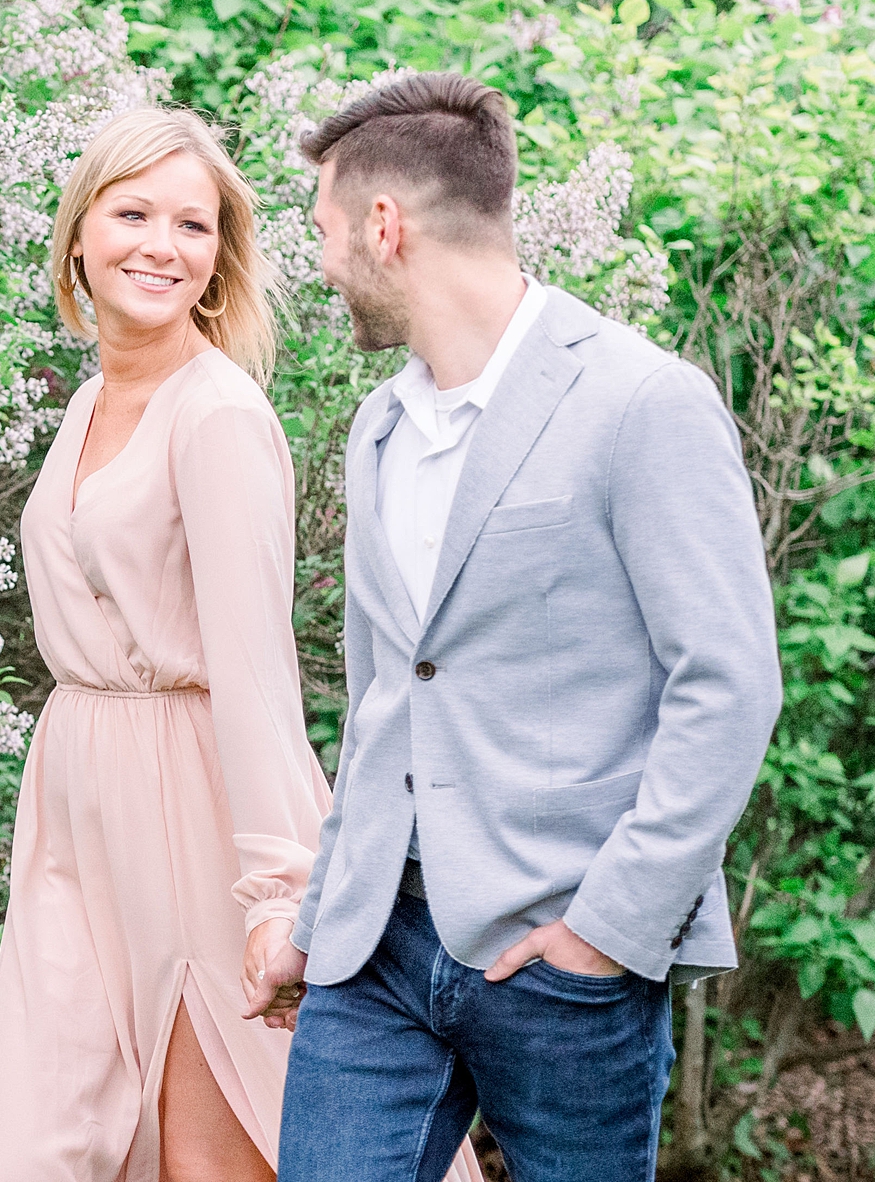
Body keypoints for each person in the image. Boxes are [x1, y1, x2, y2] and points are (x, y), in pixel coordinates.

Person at [265, 72, 785, 1182]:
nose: (319, 267)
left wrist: (608, 934)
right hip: (375, 963)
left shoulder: (643, 404)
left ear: (384, 225)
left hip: (562, 966)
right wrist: (323, 917)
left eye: (323, 232)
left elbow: (729, 686)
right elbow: (383, 703)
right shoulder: (379, 426)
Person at [0, 108, 480, 1182]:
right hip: (75, 801)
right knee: (42, 1136)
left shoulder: (218, 418)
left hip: (195, 807)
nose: (161, 244)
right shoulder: (90, 402)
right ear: (79, 236)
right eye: (134, 214)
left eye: (192, 226)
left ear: (216, 262)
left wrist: (277, 895)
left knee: (215, 1151)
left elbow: (253, 678)